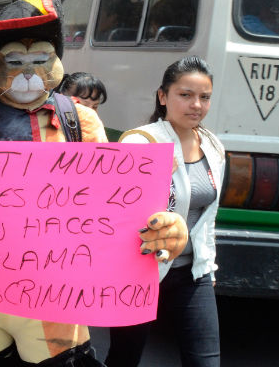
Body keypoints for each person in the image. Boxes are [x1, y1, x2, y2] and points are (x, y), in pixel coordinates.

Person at [0, 0, 188, 366]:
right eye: (15, 61)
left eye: (40, 59)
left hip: (55, 309)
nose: (29, 73)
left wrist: (164, 227)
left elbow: (117, 206)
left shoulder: (79, 122)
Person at [106, 55, 224, 367]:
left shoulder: (213, 146)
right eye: (185, 95)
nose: (196, 105)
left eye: (204, 97)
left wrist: (208, 264)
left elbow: (207, 217)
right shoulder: (140, 143)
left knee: (205, 361)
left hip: (193, 273)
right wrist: (153, 181)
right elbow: (115, 211)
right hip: (139, 271)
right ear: (163, 96)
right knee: (124, 358)